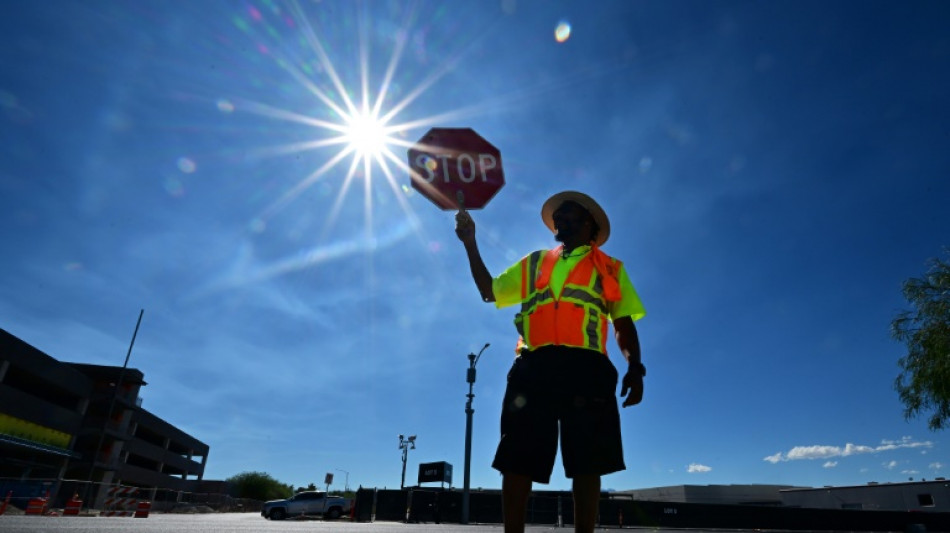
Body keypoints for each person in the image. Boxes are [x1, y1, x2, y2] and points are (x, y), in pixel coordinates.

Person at [455, 191, 646, 533]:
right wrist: (470, 242)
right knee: (516, 461)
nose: (562, 220)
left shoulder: (610, 268)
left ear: (591, 226)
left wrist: (635, 366)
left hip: (587, 369)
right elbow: (490, 291)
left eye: (571, 215)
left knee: (588, 464)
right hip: (534, 367)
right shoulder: (534, 262)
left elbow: (622, 323)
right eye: (559, 216)